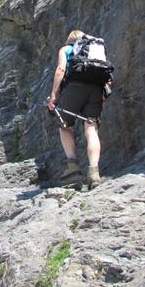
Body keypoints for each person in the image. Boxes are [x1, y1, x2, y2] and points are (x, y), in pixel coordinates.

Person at [47, 30, 106, 189]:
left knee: (64, 126)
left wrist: (54, 95)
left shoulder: (66, 49)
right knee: (92, 128)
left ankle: (73, 167)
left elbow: (60, 70)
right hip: (96, 89)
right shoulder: (96, 50)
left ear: (69, 40)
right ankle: (94, 173)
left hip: (74, 88)